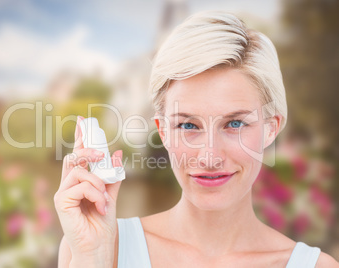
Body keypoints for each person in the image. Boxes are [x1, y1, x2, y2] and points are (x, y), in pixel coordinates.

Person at [54, 11, 339, 267]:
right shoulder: (92, 248)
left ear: (271, 128)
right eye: (188, 125)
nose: (209, 156)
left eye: (235, 123)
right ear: (163, 132)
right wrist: (94, 260)